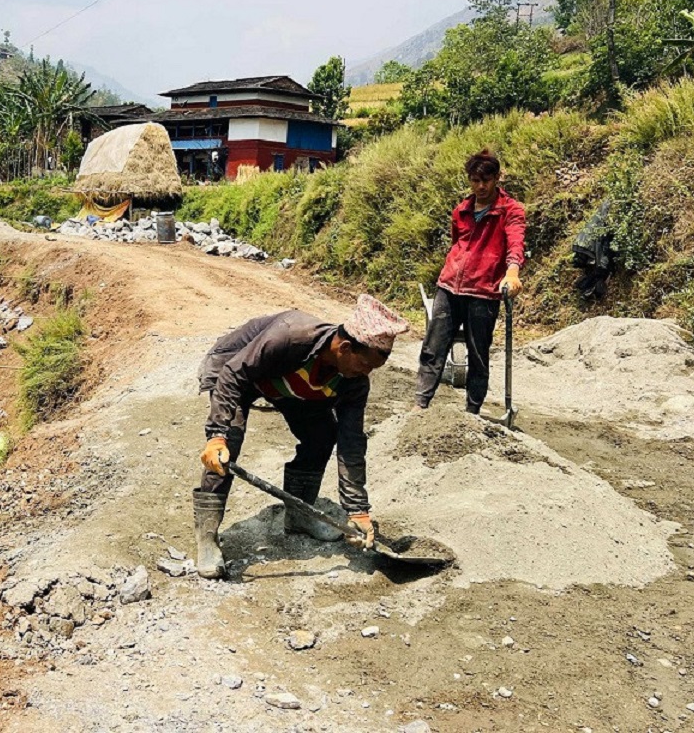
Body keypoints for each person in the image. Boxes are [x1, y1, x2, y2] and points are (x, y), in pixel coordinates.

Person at [194, 295, 410, 579]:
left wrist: (357, 509)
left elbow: (351, 442)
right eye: (364, 365)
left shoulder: (354, 382)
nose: (366, 373)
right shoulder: (290, 336)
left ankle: (298, 515)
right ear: (345, 347)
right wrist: (217, 435)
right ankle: (207, 537)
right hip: (236, 372)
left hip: (288, 383)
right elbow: (234, 374)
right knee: (226, 446)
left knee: (322, 435)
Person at [416, 148, 525, 415]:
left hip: (483, 292)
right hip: (450, 286)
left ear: (497, 178)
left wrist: (512, 272)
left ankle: (472, 411)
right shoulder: (462, 210)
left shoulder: (510, 211)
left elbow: (515, 243)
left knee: (478, 354)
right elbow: (457, 244)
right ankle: (420, 404)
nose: (481, 186)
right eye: (475, 181)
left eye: (486, 180)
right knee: (433, 348)